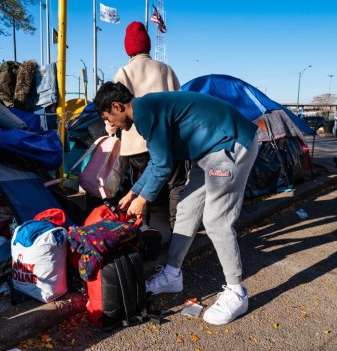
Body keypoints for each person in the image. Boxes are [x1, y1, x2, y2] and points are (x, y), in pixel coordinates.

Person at [94, 82, 259, 325]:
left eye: (109, 118)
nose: (111, 125)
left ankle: (237, 292)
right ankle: (172, 274)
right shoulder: (147, 109)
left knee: (215, 221)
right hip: (206, 153)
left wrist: (143, 200)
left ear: (117, 106)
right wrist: (132, 193)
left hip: (230, 145)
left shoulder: (146, 113)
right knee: (185, 211)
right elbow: (158, 161)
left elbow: (163, 167)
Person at [106, 21, 187, 232]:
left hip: (137, 141)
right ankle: (178, 230)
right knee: (175, 185)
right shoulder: (165, 69)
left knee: (144, 185)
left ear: (128, 48)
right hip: (169, 138)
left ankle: (147, 231)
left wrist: (111, 131)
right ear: (148, 45)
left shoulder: (123, 72)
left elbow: (116, 108)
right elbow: (178, 99)